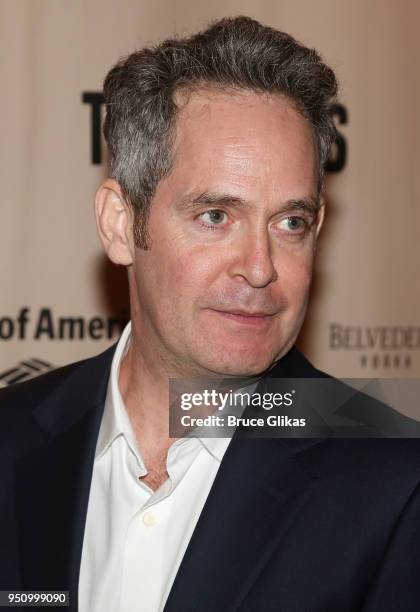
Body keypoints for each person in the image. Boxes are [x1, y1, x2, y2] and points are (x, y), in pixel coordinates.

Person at [1, 16, 419, 612]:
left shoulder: (395, 480)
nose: (260, 267)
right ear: (121, 224)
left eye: (290, 223)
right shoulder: (12, 440)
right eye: (216, 216)